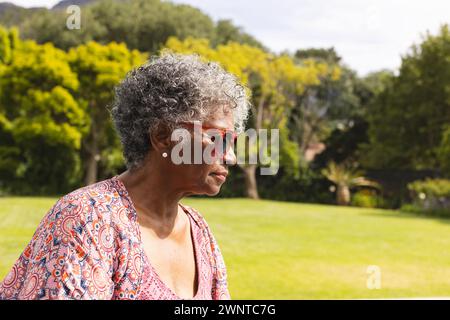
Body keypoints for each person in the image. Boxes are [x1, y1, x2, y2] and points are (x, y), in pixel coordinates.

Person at [0, 53, 251, 300]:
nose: (230, 158)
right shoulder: (88, 217)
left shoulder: (199, 230)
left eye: (233, 142)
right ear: (163, 135)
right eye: (218, 138)